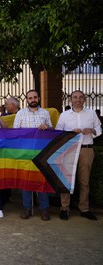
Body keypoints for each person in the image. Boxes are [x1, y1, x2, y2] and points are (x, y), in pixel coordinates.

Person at [56, 90, 102, 221]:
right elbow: (58, 133)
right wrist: (70, 132)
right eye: (75, 97)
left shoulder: (91, 113)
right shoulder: (64, 115)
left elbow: (99, 130)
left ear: (84, 99)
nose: (78, 99)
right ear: (70, 100)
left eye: (81, 97)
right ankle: (64, 208)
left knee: (84, 181)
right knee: (66, 180)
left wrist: (92, 130)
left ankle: (84, 209)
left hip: (86, 150)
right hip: (69, 150)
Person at [13, 90, 53, 221]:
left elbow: (52, 131)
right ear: (27, 100)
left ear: (39, 98)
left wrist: (47, 127)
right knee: (26, 180)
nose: (33, 99)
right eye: (30, 98)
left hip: (42, 152)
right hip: (25, 152)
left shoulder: (45, 113)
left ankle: (44, 209)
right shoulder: (20, 113)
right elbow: (15, 133)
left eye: (35, 97)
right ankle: (27, 208)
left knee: (41, 180)